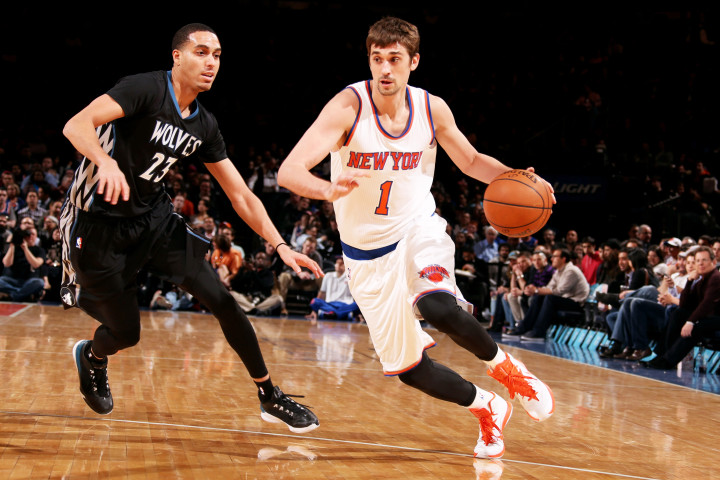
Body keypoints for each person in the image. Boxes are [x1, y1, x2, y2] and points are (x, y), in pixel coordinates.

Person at [276, 17, 554, 459]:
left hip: (416, 231)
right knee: (410, 369)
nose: (385, 69)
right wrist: (326, 189)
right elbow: (288, 171)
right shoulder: (348, 106)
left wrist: (516, 177)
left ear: (414, 62)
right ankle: (488, 407)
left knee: (436, 303)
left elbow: (471, 160)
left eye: (394, 60)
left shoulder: (431, 108)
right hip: (366, 258)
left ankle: (508, 370)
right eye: (377, 59)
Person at [59, 23, 320, 433]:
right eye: (201, 52)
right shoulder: (143, 89)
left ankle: (270, 395)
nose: (211, 62)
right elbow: (76, 124)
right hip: (96, 225)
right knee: (126, 333)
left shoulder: (204, 126)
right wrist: (106, 162)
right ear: (177, 56)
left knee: (222, 298)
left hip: (153, 221)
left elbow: (241, 195)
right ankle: (92, 356)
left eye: (217, 55)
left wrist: (280, 244)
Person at [306, 256, 358, 323]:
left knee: (359, 304)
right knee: (314, 301)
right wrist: (314, 311)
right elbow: (322, 294)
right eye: (337, 263)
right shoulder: (328, 275)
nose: (338, 265)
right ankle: (341, 314)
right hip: (329, 304)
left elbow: (356, 296)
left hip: (345, 305)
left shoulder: (352, 277)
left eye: (341, 263)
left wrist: (359, 313)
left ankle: (332, 313)